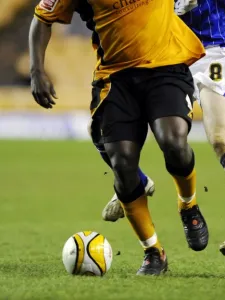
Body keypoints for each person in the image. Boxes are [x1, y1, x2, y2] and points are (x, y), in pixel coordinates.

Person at [29, 0, 208, 276]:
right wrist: (36, 70)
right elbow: (42, 18)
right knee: (123, 164)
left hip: (166, 66)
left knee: (173, 142)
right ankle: (153, 252)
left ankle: (188, 205)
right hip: (116, 78)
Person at [103, 0, 225, 258]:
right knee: (116, 121)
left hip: (211, 50)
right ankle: (137, 181)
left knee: (222, 138)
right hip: (163, 52)